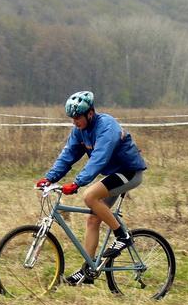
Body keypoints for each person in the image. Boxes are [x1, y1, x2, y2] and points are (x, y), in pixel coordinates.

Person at [36, 91, 147, 285]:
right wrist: (49, 177)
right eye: (72, 118)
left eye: (77, 117)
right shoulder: (79, 131)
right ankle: (87, 270)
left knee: (89, 197)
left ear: (90, 113)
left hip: (129, 171)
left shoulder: (107, 126)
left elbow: (99, 158)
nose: (74, 122)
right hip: (114, 174)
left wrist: (78, 183)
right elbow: (68, 156)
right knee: (92, 219)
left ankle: (122, 236)